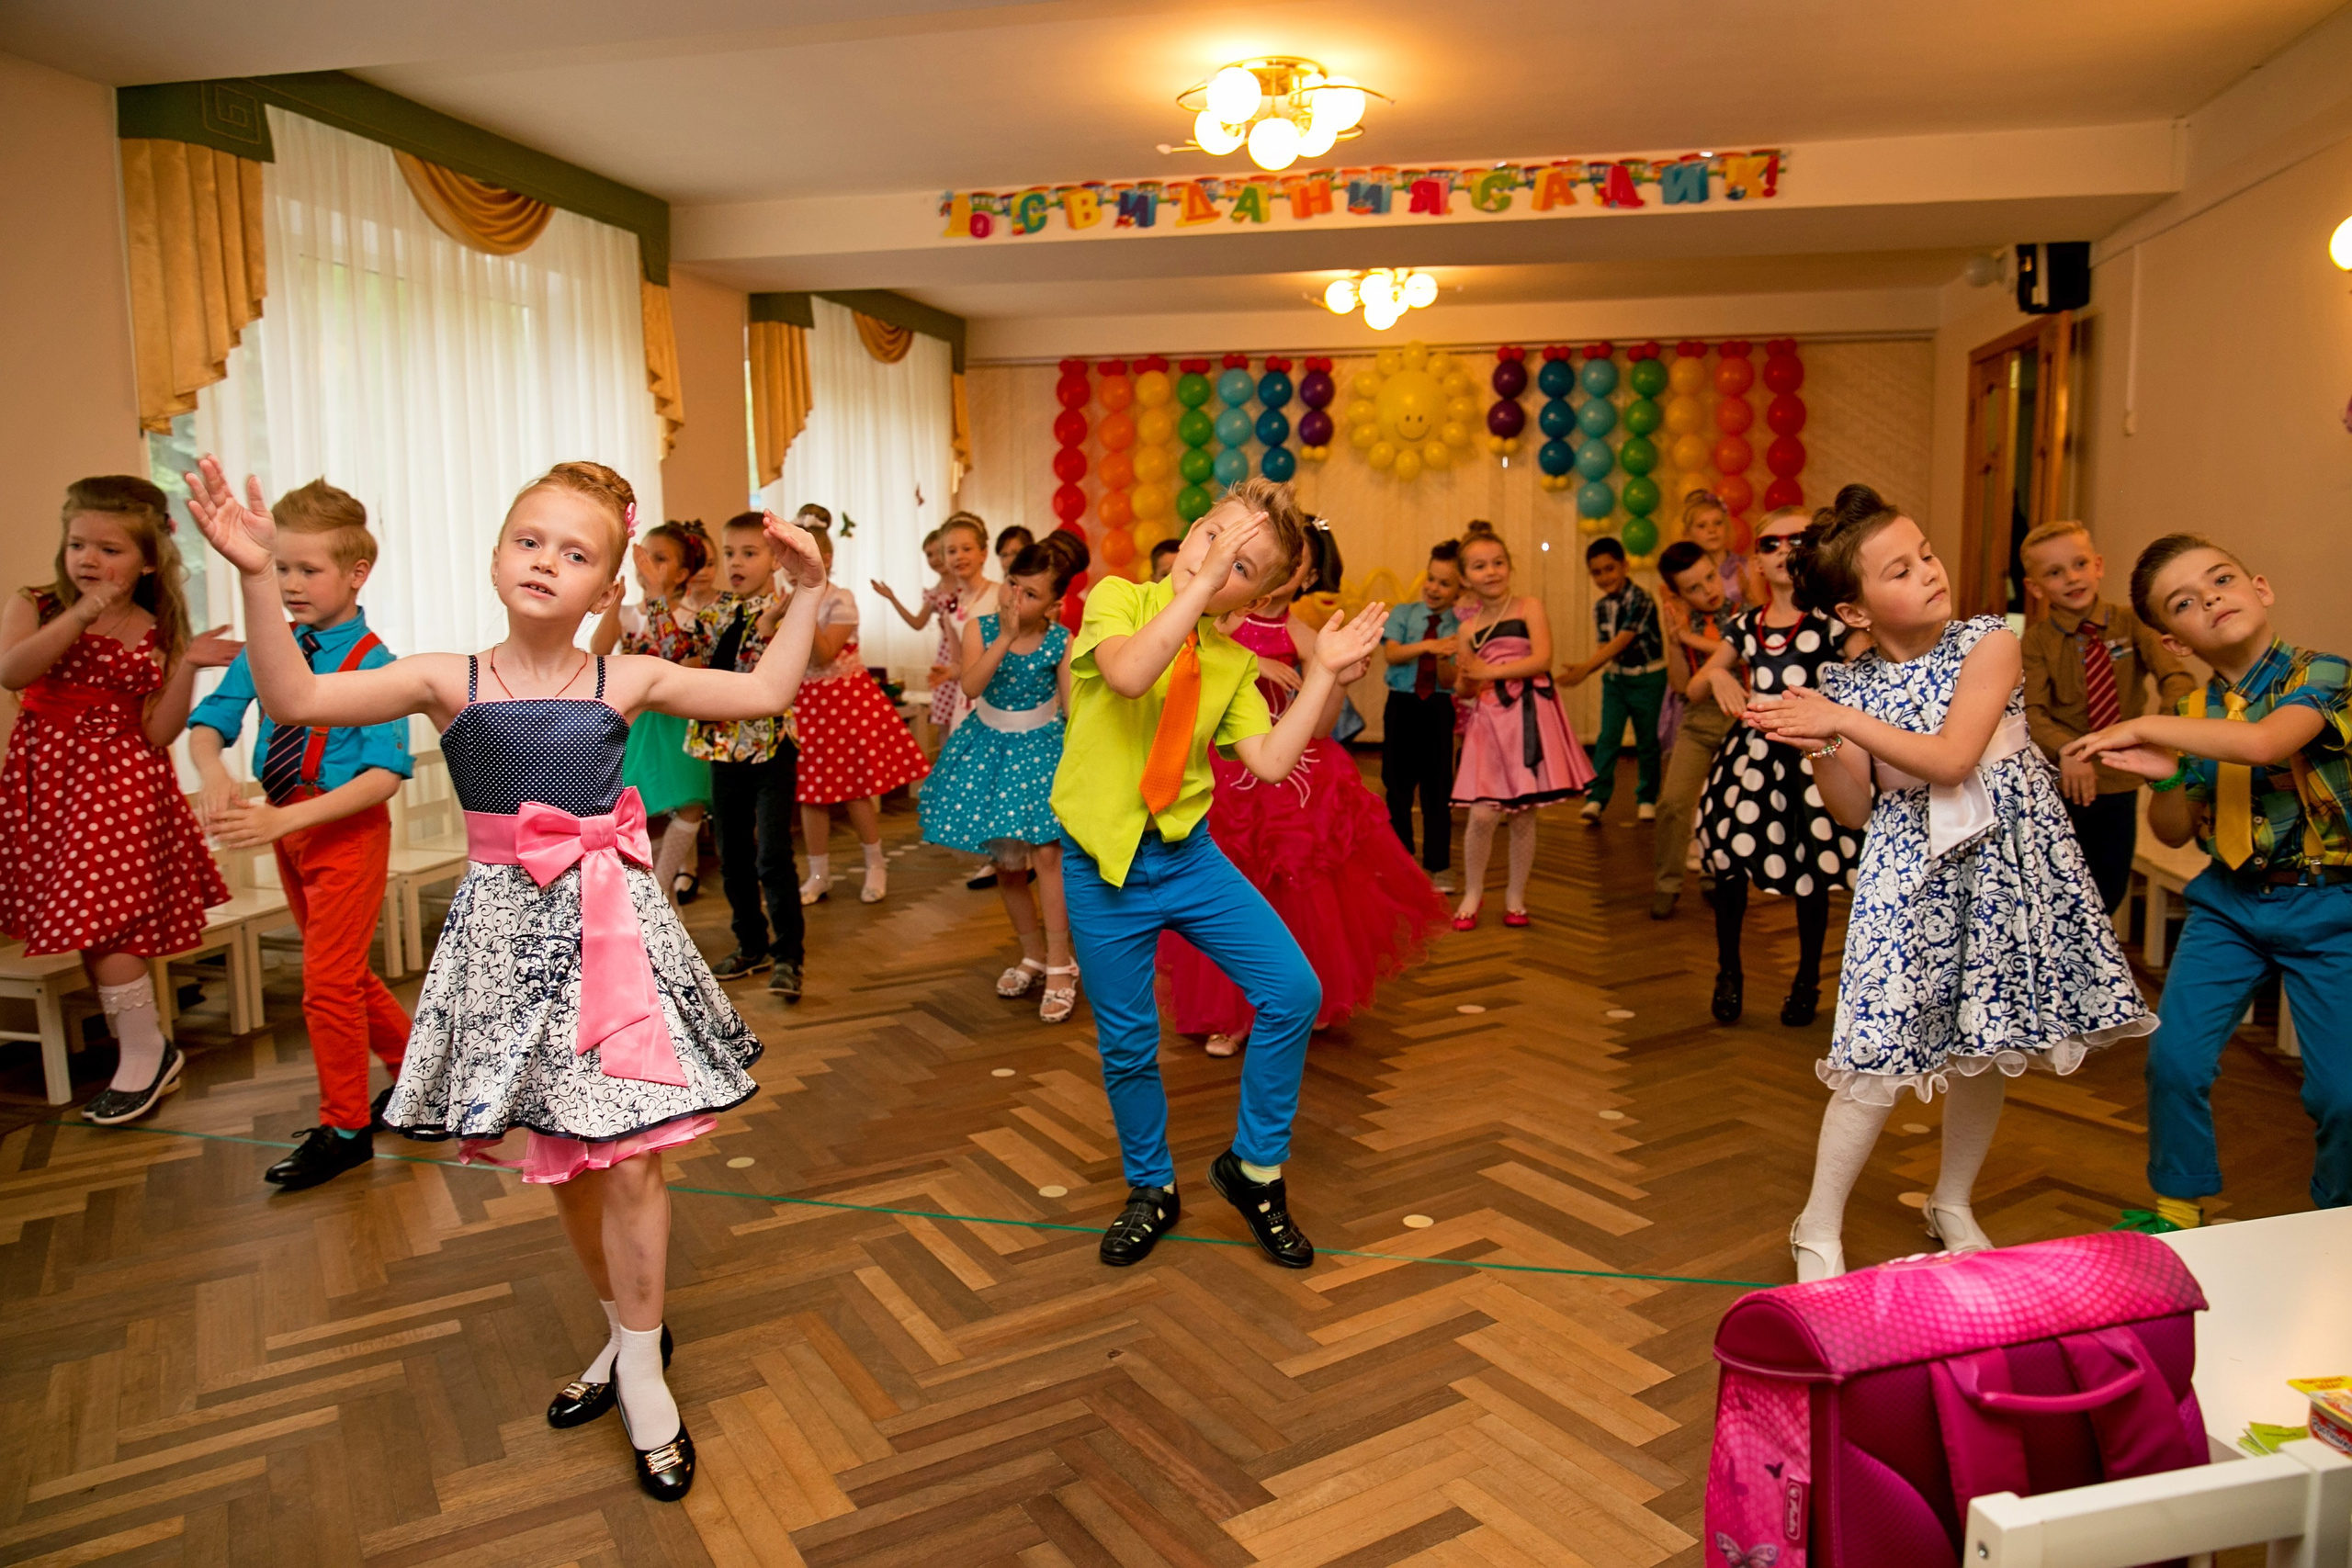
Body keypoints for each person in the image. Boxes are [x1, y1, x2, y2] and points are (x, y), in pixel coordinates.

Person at [187, 454, 829, 1503]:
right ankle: (626, 1336)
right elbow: (295, 693)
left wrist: (804, 592)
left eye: (575, 554)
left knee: (633, 1163)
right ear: (494, 556)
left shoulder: (626, 678)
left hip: (613, 933)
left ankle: (643, 1372)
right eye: (529, 541)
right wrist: (259, 575)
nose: (545, 562)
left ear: (605, 587)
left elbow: (765, 692)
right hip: (506, 944)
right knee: (566, 1163)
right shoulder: (449, 679)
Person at [1747, 484, 2153, 1280]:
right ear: (1855, 609)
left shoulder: (1988, 642)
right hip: (1907, 872)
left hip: (2004, 862)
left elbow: (1953, 758)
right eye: (1900, 570)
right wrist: (1816, 743)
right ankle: (1818, 1223)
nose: (1930, 572)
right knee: (1874, 1048)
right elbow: (1855, 807)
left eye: (1926, 554)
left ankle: (1953, 1200)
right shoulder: (1847, 685)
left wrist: (1838, 720)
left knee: (1985, 1040)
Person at [1052, 477, 1387, 1270]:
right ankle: (1151, 1187)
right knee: (1128, 1045)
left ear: (1256, 599)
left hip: (1188, 858)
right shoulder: (1117, 600)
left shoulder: (1231, 660)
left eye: (1241, 564)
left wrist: (1324, 673)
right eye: (1213, 536)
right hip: (1101, 870)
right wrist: (1204, 582)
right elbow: (1130, 675)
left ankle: (1254, 1170)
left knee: (1294, 992)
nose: (1214, 559)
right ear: (1193, 529)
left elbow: (1269, 761)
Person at [2066, 535, 2350, 1227]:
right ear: (2176, 641)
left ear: (2260, 588)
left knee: (2343, 1093)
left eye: (2221, 580)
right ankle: (2179, 1207)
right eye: (2185, 602)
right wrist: (2166, 778)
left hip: (2331, 905)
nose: (2211, 600)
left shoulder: (2327, 673)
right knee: (2174, 1060)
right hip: (2229, 904)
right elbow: (2172, 830)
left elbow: (2265, 742)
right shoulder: (2195, 716)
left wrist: (2144, 724)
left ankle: (2335, 1221)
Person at [188, 479, 413, 1187]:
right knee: (342, 972)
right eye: (280, 567)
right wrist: (213, 772)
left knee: (325, 982)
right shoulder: (270, 647)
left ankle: (346, 1128)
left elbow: (383, 776)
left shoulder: (377, 664)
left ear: (356, 572)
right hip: (286, 828)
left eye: (307, 569)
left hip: (344, 829)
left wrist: (281, 818)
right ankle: (424, 1076)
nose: (289, 583)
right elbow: (211, 723)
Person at [1160, 520, 1449, 1055]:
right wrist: (1254, 663)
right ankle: (1229, 1011)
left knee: (1297, 895)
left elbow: (1320, 728)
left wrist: (1337, 680)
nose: (1284, 568)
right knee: (1226, 896)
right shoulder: (1218, 621)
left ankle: (1290, 1003)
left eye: (1297, 563)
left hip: (1292, 776)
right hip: (1224, 771)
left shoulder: (1307, 637)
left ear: (1309, 577)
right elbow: (1186, 669)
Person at [0, 476, 237, 1125]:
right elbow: (12, 671)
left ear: (148, 561)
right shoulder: (37, 604)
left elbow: (158, 732)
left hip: (124, 784)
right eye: (78, 544)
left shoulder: (157, 627)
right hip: (50, 785)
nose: (89, 560)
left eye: (109, 550)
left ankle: (143, 1054)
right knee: (87, 921)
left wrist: (188, 664)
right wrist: (80, 612)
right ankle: (147, 1048)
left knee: (107, 921)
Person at [1690, 506, 1865, 1025]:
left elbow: (1873, 671)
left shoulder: (1834, 623)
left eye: (1797, 540)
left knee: (1814, 869)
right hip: (1751, 760)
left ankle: (1808, 978)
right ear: (1757, 563)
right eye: (1771, 543)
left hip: (1813, 759)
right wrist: (1718, 677)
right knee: (1730, 864)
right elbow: (1695, 686)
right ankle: (1728, 972)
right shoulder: (1745, 626)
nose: (1784, 550)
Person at [920, 533, 1083, 1021]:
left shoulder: (1060, 640)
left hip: (1042, 752)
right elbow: (971, 685)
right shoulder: (981, 628)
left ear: (1054, 603)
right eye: (1013, 584)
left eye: (1031, 594)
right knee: (1007, 864)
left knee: (1048, 857)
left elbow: (1072, 709)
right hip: (991, 751)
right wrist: (1006, 637)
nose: (1015, 598)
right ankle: (1032, 954)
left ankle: (1061, 963)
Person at [2018, 520, 2194, 914]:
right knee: (2057, 892)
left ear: (2098, 565)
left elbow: (2177, 678)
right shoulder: (2036, 642)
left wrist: (2160, 731)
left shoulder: (2133, 623)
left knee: (2108, 889)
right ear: (2035, 587)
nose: (2072, 578)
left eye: (2079, 564)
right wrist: (2069, 750)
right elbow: (2032, 712)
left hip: (2119, 780)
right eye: (2055, 572)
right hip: (2063, 782)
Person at [678, 513, 805, 998]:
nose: (736, 563)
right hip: (723, 747)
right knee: (732, 855)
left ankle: (788, 956)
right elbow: (687, 661)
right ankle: (751, 945)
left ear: (774, 560)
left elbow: (765, 679)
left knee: (772, 855)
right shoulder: (713, 613)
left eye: (749, 553)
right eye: (729, 553)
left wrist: (768, 627)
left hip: (771, 747)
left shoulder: (789, 609)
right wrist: (657, 594)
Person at [1449, 520, 1593, 929]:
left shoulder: (1529, 607)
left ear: (1509, 566)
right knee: (1482, 815)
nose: (1491, 571)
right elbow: (1464, 687)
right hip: (1490, 723)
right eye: (1479, 566)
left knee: (1523, 814)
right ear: (1465, 578)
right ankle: (1473, 892)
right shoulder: (1467, 629)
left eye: (1498, 562)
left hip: (1529, 717)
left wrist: (1487, 672)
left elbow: (1542, 659)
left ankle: (1515, 897)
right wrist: (1466, 677)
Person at [792, 509, 932, 905]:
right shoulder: (782, 601)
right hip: (804, 704)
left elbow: (823, 655)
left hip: (842, 703)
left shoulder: (840, 599)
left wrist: (802, 603)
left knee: (855, 789)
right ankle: (818, 874)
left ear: (826, 559)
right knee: (810, 793)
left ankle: (875, 864)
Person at [593, 522, 716, 906]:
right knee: (643, 809)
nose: (646, 565)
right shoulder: (628, 615)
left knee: (691, 802)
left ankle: (661, 888)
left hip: (679, 720)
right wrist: (615, 602)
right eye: (644, 556)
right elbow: (598, 651)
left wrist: (658, 597)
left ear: (681, 574)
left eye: (659, 559)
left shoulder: (694, 618)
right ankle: (659, 902)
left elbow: (688, 664)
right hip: (639, 724)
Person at [1649, 539, 1736, 919]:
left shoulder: (1745, 615)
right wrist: (1674, 639)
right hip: (1698, 720)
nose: (1708, 591)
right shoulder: (1683, 623)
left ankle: (1715, 877)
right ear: (1679, 594)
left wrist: (1687, 638)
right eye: (1694, 588)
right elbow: (1681, 685)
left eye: (1711, 578)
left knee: (1724, 805)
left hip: (1740, 721)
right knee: (1673, 802)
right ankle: (1667, 884)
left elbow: (1734, 651)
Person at [1562, 536, 1666, 825]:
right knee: (1607, 738)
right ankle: (1596, 798)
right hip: (1616, 680)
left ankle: (1647, 798)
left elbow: (1622, 640)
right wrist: (1592, 665)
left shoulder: (1641, 599)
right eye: (1596, 572)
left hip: (1648, 678)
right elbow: (1605, 647)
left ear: (1624, 566)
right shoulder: (1600, 607)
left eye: (1610, 569)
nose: (1604, 577)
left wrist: (1585, 669)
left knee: (1647, 741)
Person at [1380, 538, 1462, 889]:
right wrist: (1430, 645)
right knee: (1397, 785)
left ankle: (1438, 864)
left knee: (1437, 788)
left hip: (1438, 709)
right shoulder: (1404, 613)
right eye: (1431, 578)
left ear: (1460, 590)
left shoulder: (1460, 625)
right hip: (1402, 705)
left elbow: (1450, 680)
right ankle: (1399, 860)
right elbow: (1393, 654)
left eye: (1445, 583)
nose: (1434, 588)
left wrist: (1444, 657)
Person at [875, 512, 998, 741]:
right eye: (951, 551)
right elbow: (959, 662)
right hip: (965, 692)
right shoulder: (951, 606)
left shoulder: (999, 594)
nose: (959, 556)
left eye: (966, 549)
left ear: (983, 554)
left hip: (997, 694)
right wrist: (950, 671)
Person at [1681, 490, 1755, 613]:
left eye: (1718, 523)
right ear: (1688, 534)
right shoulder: (1686, 575)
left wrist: (1748, 596)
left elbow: (1762, 615)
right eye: (1702, 526)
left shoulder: (1747, 566)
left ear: (1726, 527)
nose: (1712, 530)